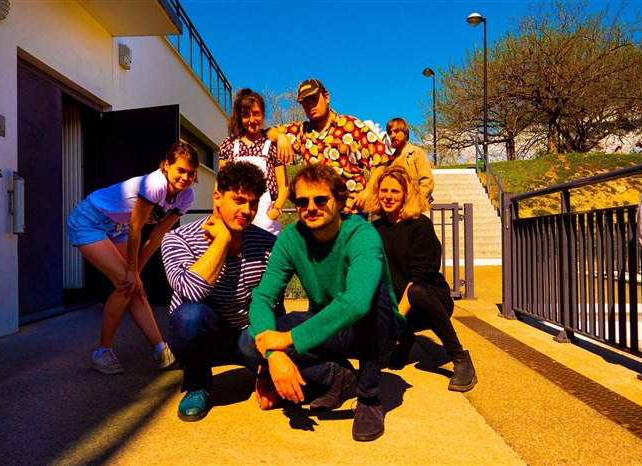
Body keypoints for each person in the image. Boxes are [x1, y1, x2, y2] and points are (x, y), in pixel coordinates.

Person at [239, 163, 405, 442]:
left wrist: (287, 339)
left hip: (374, 330)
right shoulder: (292, 238)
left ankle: (368, 398)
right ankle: (335, 376)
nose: (311, 208)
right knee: (247, 342)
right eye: (302, 202)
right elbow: (263, 296)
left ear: (339, 200)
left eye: (320, 199)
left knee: (373, 292)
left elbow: (356, 303)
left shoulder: (362, 233)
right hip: (327, 325)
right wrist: (273, 356)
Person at [161, 161, 281, 422]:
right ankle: (197, 383)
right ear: (217, 197)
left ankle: (265, 371)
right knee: (188, 316)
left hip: (249, 337)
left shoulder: (268, 244)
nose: (247, 210)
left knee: (307, 383)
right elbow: (192, 291)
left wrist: (268, 369)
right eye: (239, 200)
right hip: (207, 336)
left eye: (253, 203)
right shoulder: (178, 239)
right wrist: (223, 241)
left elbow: (276, 305)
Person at [67, 140, 198, 374]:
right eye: (181, 170)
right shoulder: (155, 184)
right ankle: (102, 353)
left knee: (134, 285)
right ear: (166, 165)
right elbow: (137, 227)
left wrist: (136, 272)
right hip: (90, 220)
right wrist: (130, 272)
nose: (186, 177)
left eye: (191, 172)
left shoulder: (186, 197)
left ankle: (161, 351)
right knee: (124, 283)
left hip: (118, 226)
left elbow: (157, 235)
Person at [366, 165, 477, 392]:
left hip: (430, 301)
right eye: (384, 190)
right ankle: (405, 340)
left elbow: (420, 277)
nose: (388, 196)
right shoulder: (374, 229)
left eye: (395, 191)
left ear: (406, 195)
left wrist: (395, 321)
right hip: (397, 304)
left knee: (416, 290)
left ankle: (460, 358)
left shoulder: (420, 225)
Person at [270, 78, 391, 214]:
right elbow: (266, 132)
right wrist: (280, 137)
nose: (310, 105)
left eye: (314, 99)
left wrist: (368, 191)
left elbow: (382, 159)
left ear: (326, 97)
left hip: (350, 212)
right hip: (317, 213)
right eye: (305, 103)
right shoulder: (301, 132)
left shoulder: (352, 126)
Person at [219, 88, 288, 235]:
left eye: (256, 114)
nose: (251, 120)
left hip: (266, 222)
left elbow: (284, 185)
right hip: (235, 219)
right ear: (240, 117)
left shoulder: (273, 145)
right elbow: (220, 184)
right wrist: (218, 214)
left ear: (263, 113)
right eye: (246, 115)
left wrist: (275, 211)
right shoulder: (229, 144)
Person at [386, 117, 434, 205]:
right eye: (390, 133)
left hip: (413, 207)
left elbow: (427, 183)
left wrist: (413, 203)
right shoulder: (390, 160)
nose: (392, 135)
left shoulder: (416, 153)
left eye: (396, 131)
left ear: (405, 134)